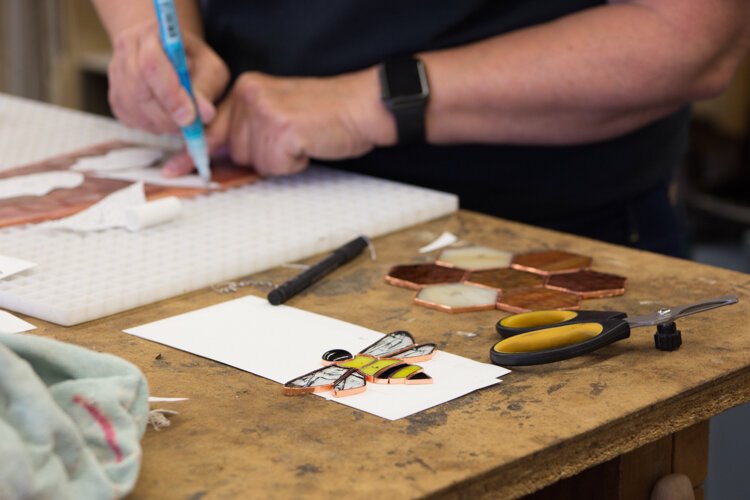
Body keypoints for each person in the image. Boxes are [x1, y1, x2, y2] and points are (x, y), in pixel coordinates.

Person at [92, 1, 750, 257]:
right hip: (253, 185)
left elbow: (691, 35)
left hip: (538, 235)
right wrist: (148, 35)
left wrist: (367, 104)